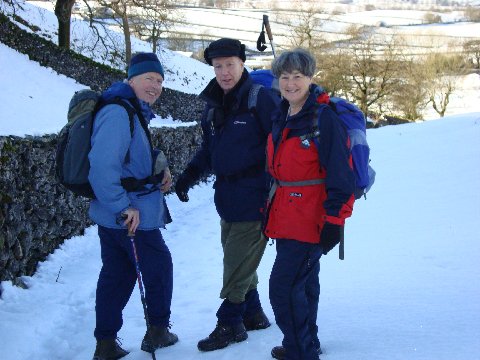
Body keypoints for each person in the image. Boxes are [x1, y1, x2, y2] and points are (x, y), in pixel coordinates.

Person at [174, 38, 279, 352]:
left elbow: (281, 144)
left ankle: (230, 322)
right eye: (218, 66)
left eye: (230, 64)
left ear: (242, 63)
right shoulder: (215, 103)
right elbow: (210, 150)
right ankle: (254, 313)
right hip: (227, 196)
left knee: (236, 263)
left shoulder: (260, 99)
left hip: (257, 195)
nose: (224, 72)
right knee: (240, 260)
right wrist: (189, 177)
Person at [264, 48, 355, 360]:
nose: (290, 83)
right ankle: (304, 344)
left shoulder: (323, 118)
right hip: (286, 216)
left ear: (311, 78)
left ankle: (301, 351)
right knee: (304, 286)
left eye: (298, 77)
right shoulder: (283, 113)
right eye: (285, 77)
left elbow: (343, 176)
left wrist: (335, 221)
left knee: (284, 289)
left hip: (311, 221)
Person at [88, 52, 178, 360]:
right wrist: (123, 206)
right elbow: (101, 166)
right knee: (158, 269)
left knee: (117, 274)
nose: (155, 86)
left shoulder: (131, 110)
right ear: (131, 80)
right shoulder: (118, 113)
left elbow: (135, 157)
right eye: (149, 79)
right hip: (131, 217)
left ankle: (105, 343)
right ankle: (158, 331)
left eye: (159, 81)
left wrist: (161, 169)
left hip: (120, 214)